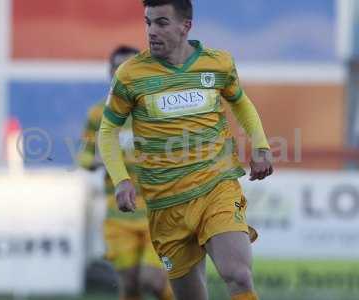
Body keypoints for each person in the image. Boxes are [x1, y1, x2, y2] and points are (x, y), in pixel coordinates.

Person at [98, 1, 273, 299]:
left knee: (239, 275)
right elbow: (107, 131)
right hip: (166, 205)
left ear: (185, 26)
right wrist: (122, 179)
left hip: (216, 189)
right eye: (148, 22)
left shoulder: (218, 64)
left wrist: (260, 145)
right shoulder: (131, 75)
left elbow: (240, 102)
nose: (152, 31)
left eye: (162, 23)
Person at [79, 45, 173, 300]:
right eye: (117, 67)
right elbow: (83, 156)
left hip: (159, 211)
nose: (123, 72)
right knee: (130, 286)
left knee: (151, 280)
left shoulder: (159, 110)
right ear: (109, 72)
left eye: (129, 66)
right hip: (119, 214)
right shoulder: (99, 114)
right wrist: (97, 159)